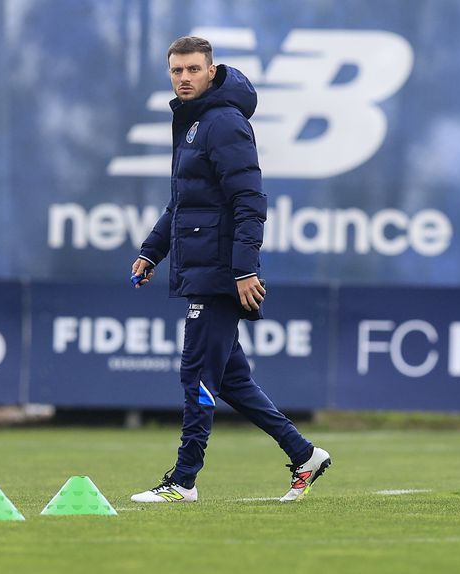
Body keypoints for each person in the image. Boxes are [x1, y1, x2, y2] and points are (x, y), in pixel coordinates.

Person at [129, 36, 331, 503]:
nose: (184, 78)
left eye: (193, 70)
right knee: (231, 380)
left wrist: (244, 270)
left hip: (219, 273)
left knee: (196, 375)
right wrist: (151, 252)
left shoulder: (223, 122)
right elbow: (184, 204)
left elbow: (249, 201)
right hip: (203, 268)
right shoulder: (194, 122)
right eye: (176, 71)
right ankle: (304, 455)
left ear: (211, 70)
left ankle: (183, 481)